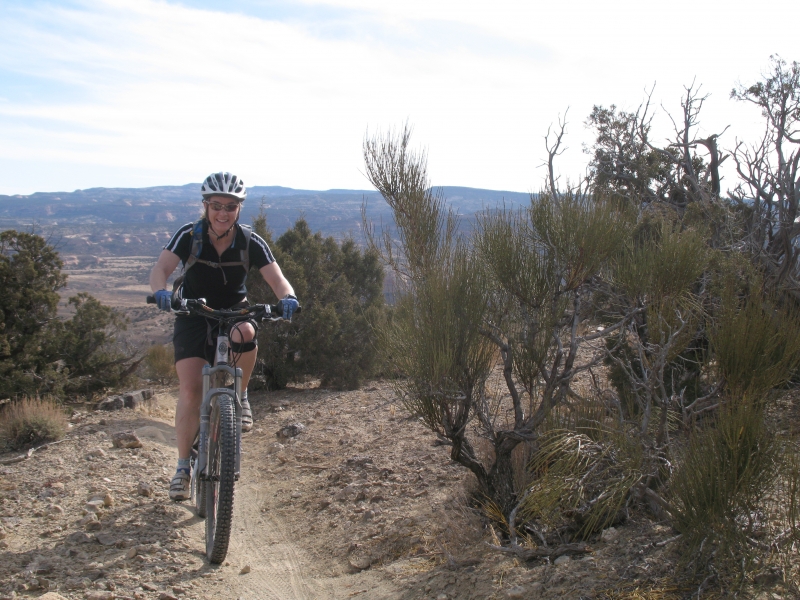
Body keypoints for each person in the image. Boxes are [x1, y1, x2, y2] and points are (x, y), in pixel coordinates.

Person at [149, 172, 298, 501]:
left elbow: (278, 279)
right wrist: (161, 292)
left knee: (246, 333)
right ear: (205, 206)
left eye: (230, 206)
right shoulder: (189, 236)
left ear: (238, 209)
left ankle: (241, 395)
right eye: (216, 205)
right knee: (189, 389)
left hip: (234, 310)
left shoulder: (249, 241)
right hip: (193, 313)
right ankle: (182, 466)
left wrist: (287, 298)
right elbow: (161, 269)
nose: (223, 213)